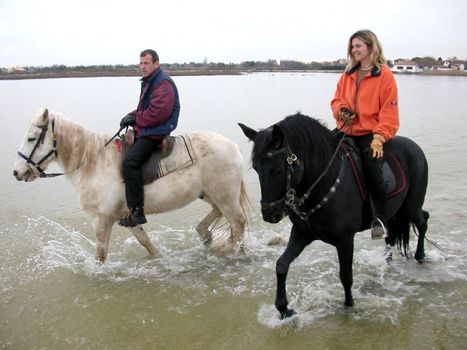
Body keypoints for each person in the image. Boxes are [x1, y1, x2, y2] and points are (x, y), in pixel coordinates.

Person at [330, 29, 399, 239]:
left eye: (358, 46)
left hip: (370, 133)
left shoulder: (384, 75)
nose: (354, 50)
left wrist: (380, 137)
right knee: (320, 155)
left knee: (371, 168)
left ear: (371, 47)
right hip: (345, 130)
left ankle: (380, 219)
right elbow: (336, 100)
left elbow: (389, 110)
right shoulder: (348, 72)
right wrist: (342, 110)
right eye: (352, 46)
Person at [118, 49, 181, 227]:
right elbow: (145, 108)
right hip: (148, 127)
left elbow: (157, 114)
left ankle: (136, 210)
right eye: (141, 63)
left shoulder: (163, 84)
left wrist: (135, 119)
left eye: (146, 63)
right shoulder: (150, 82)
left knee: (130, 162)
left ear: (156, 64)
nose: (142, 67)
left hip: (157, 130)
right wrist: (130, 115)